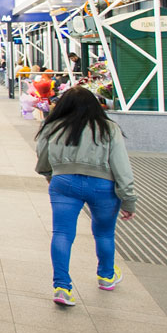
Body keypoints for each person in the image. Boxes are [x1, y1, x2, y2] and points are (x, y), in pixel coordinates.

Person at [34, 86, 137, 306]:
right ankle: (106, 276)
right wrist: (128, 198)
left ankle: (62, 287)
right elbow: (121, 166)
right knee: (104, 234)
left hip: (64, 183)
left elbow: (42, 158)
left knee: (61, 234)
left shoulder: (52, 127)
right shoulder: (109, 128)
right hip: (104, 186)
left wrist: (50, 175)